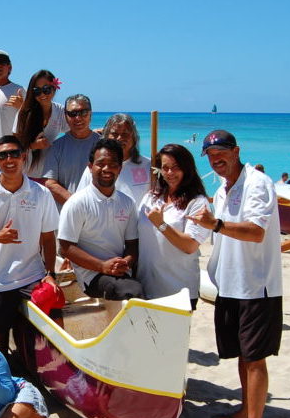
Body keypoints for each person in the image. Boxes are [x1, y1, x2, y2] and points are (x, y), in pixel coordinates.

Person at [187, 130, 282, 418]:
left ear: (237, 150)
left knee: (255, 358)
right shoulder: (224, 189)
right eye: (211, 157)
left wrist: (215, 225)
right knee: (242, 353)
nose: (217, 160)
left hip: (258, 286)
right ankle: (245, 411)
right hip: (230, 285)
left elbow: (256, 232)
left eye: (222, 153)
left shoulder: (257, 183)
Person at [0, 136, 60, 355]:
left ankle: (42, 374)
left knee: (49, 330)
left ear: (23, 157)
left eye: (14, 154)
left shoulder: (41, 193)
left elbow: (48, 238)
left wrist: (50, 273)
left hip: (33, 276)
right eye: (3, 155)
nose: (9, 159)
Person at [59, 139, 144, 301]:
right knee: (133, 290)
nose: (107, 169)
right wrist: (102, 266)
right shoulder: (77, 203)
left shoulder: (127, 202)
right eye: (100, 164)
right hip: (91, 274)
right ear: (90, 167)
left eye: (113, 164)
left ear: (120, 168)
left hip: (120, 271)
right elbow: (65, 247)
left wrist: (126, 262)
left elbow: (132, 244)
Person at [137, 144, 210, 307]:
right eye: (165, 168)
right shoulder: (151, 197)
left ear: (187, 168)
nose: (170, 173)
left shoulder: (197, 203)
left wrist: (161, 225)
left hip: (178, 289)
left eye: (176, 168)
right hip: (146, 285)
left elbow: (190, 245)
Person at [43, 94, 99, 207]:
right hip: (66, 214)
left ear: (90, 114)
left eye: (83, 112)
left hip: (99, 213)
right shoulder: (56, 147)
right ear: (65, 116)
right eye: (72, 114)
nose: (78, 118)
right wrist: (77, 205)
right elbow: (50, 183)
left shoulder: (103, 145)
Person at [13, 69, 66, 179]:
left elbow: (73, 134)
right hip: (26, 175)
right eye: (37, 91)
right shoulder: (24, 112)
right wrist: (33, 145)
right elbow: (15, 144)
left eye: (46, 89)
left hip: (51, 174)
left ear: (54, 89)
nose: (42, 94)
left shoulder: (60, 111)